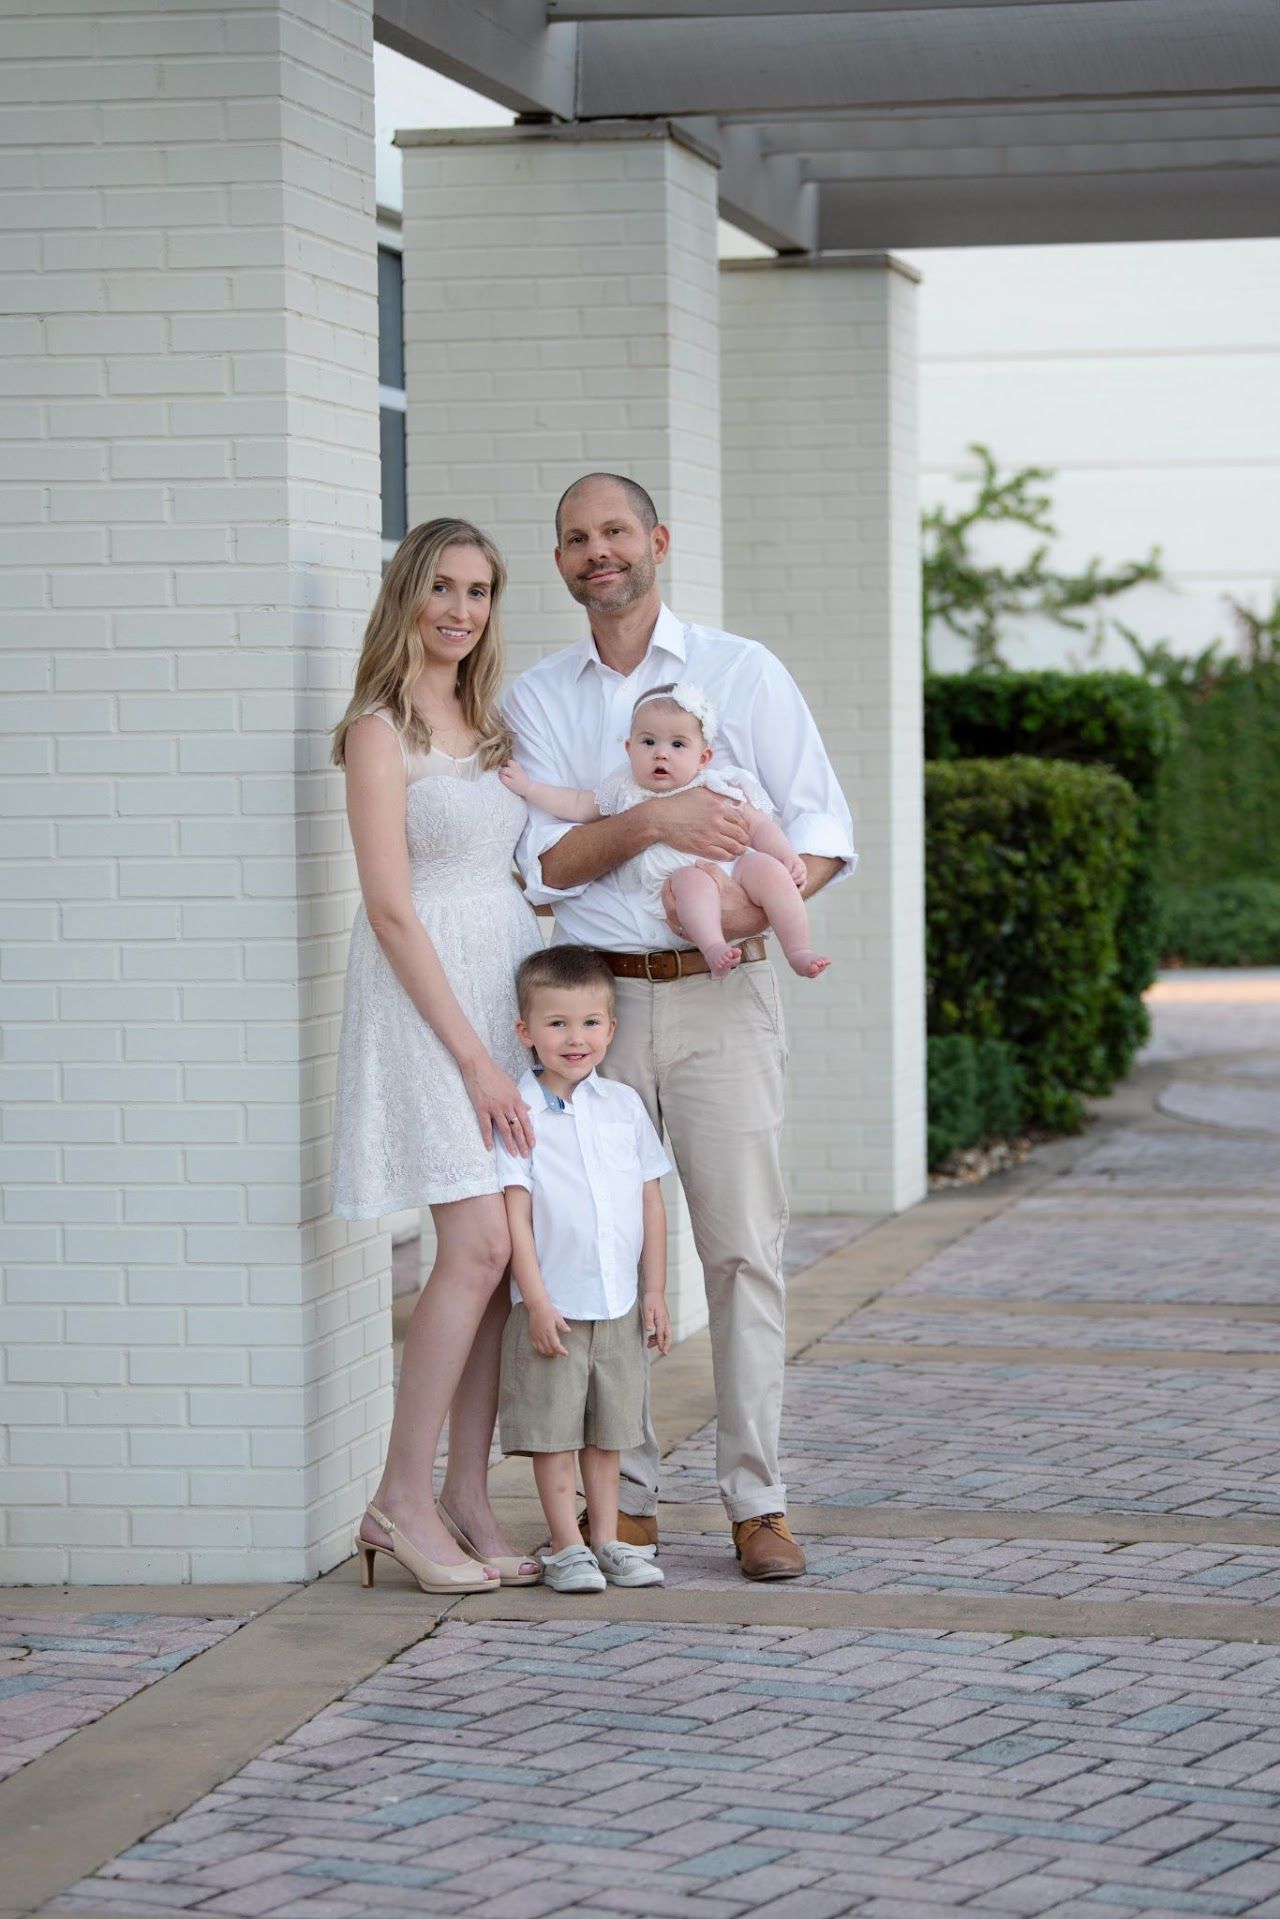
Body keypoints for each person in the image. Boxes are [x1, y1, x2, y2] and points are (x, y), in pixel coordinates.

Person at [503, 473, 856, 1582]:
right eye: (574, 539)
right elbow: (546, 868)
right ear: (559, 561)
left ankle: (757, 1498)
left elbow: (821, 831)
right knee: (600, 1245)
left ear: (655, 541)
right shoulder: (540, 698)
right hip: (592, 1009)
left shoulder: (739, 671)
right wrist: (652, 818)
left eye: (614, 532)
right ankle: (628, 1498)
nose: (596, 552)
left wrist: (740, 910)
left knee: (741, 1246)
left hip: (722, 994)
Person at [333, 516, 543, 1597]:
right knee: (469, 1246)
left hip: (501, 996)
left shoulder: (490, 725)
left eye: (481, 591)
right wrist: (472, 1057)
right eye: (445, 588)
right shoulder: (380, 730)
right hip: (429, 1011)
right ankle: (397, 1498)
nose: (462, 611)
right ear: (408, 594)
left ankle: (467, 1492)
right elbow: (388, 906)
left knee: (500, 1260)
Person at [493, 947, 672, 1594]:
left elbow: (650, 1200)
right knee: (554, 1432)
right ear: (526, 1032)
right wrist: (535, 1299)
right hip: (556, 1307)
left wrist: (654, 1290)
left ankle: (607, 1538)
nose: (576, 1038)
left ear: (611, 1028)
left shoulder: (623, 1106)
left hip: (619, 1303)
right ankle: (566, 1546)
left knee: (610, 1429)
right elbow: (515, 1210)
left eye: (591, 1023)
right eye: (558, 1023)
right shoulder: (519, 1111)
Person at [501, 680, 831, 979]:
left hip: (737, 865)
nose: (661, 752)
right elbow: (575, 804)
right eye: (648, 742)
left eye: (677, 744)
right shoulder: (624, 791)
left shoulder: (718, 784)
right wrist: (530, 788)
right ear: (629, 749)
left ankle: (799, 949)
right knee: (692, 884)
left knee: (773, 873)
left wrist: (786, 855)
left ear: (703, 758)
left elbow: (758, 824)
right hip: (682, 875)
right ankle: (714, 946)